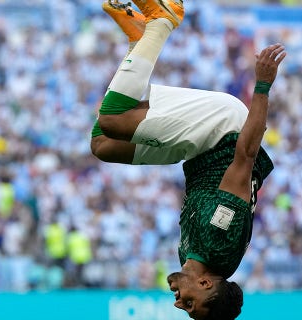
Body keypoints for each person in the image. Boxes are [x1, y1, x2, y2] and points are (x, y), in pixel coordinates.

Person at [90, 1, 286, 319]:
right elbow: (245, 157)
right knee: (113, 119)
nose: (178, 303)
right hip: (224, 130)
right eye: (190, 304)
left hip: (198, 150)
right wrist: (262, 85)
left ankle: (140, 40)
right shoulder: (222, 242)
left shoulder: (189, 256)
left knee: (102, 144)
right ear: (206, 283)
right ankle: (163, 20)